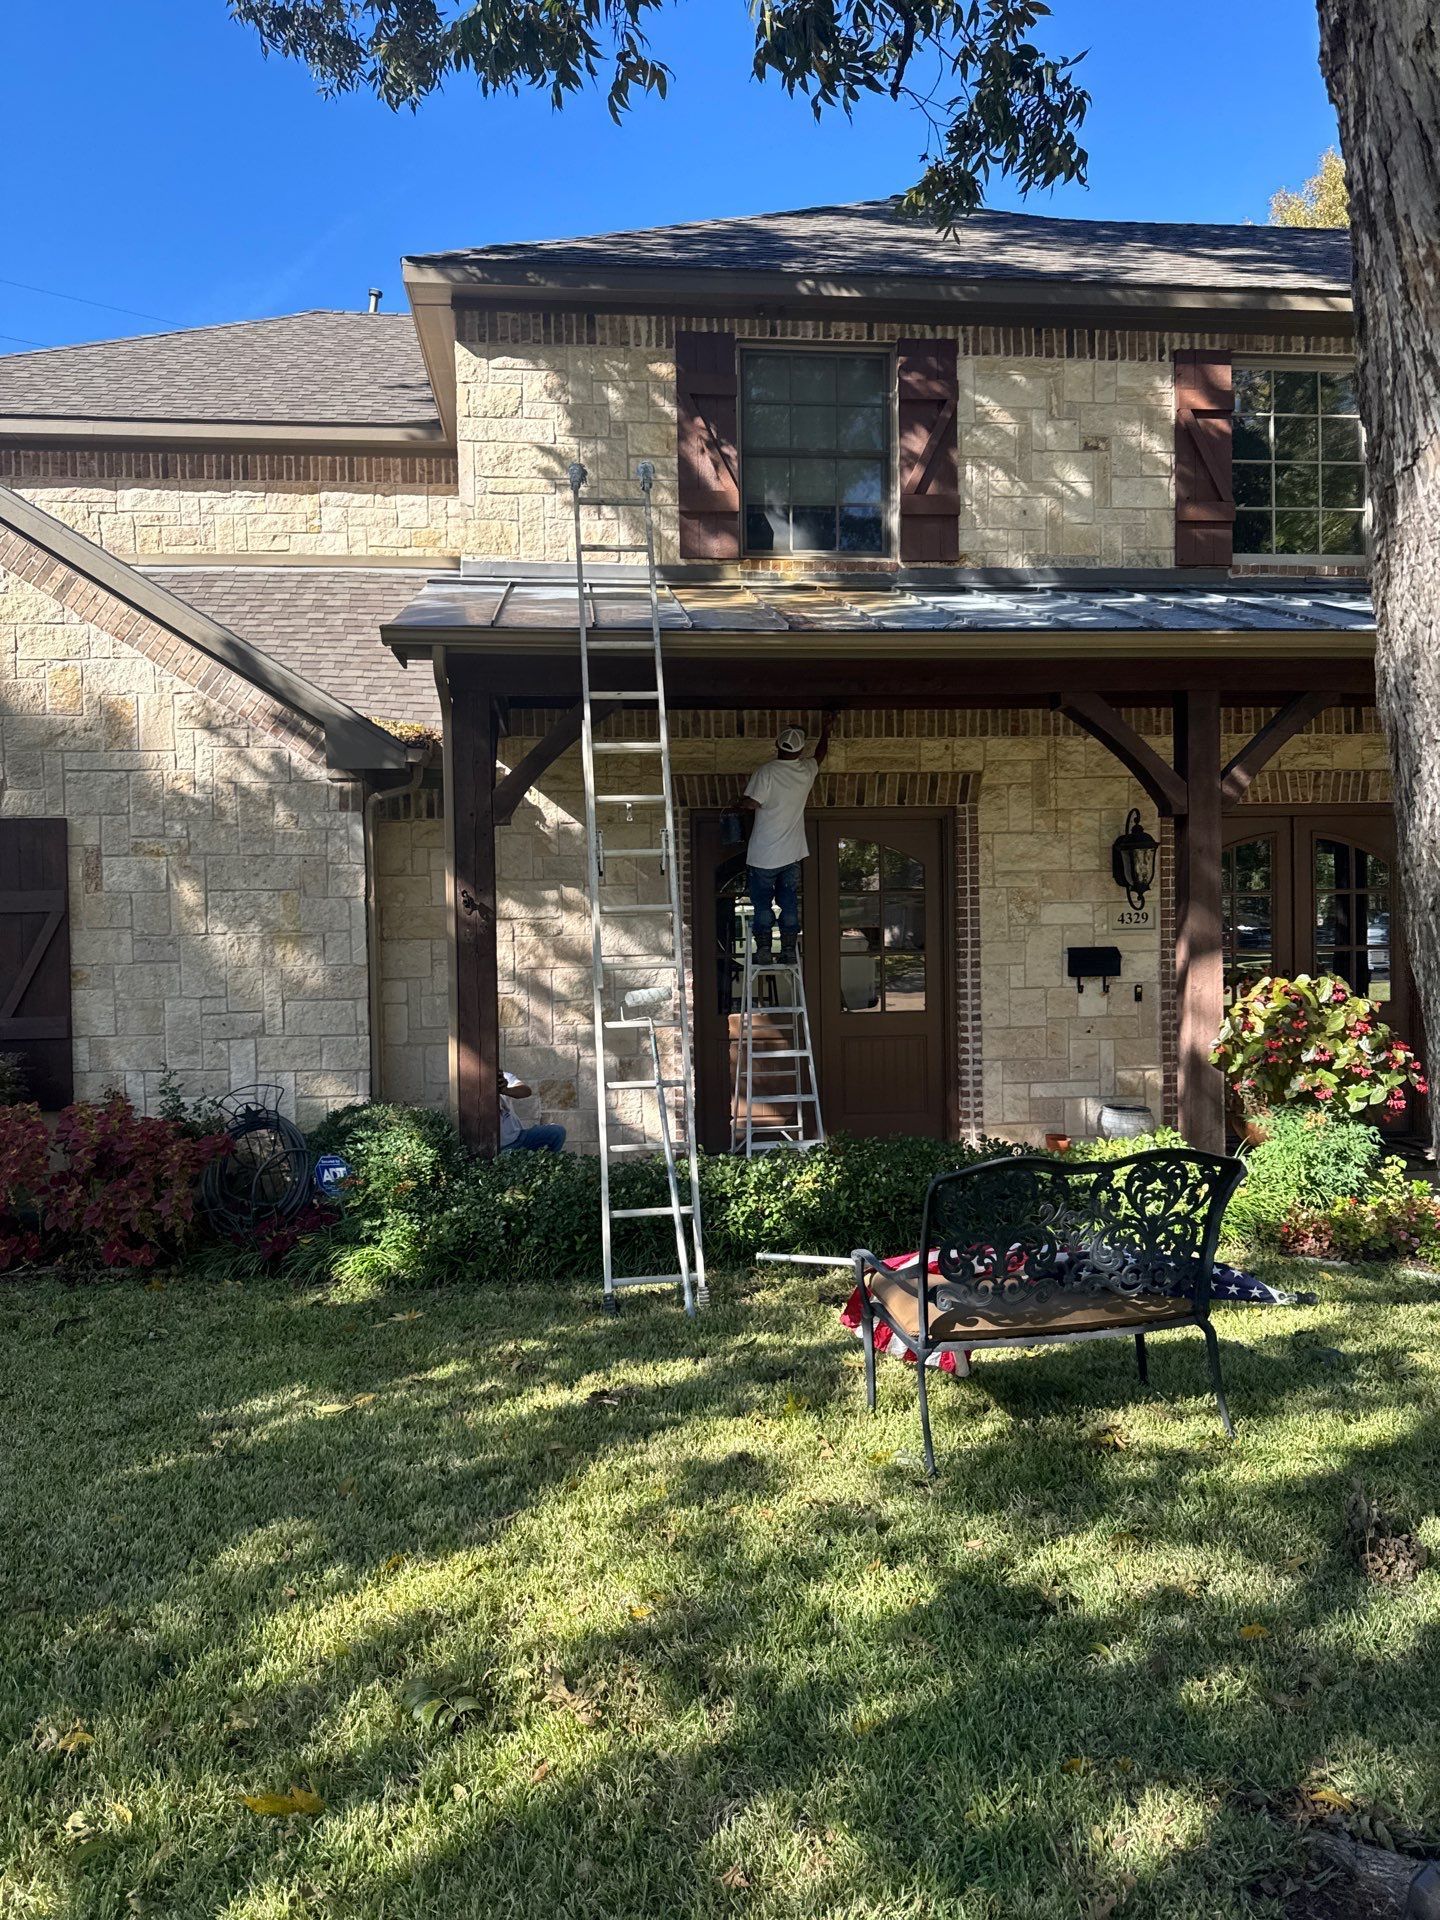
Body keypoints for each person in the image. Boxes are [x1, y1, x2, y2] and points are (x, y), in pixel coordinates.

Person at [734, 713, 836, 964]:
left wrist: (739, 802)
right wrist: (826, 729)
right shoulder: (806, 771)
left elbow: (752, 803)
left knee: (762, 905)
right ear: (800, 750)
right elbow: (821, 754)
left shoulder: (766, 772)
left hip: (763, 856)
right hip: (791, 854)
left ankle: (765, 950)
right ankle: (789, 949)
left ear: (777, 744)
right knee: (788, 902)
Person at [499, 1071, 566, 1152]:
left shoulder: (502, 1076)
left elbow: (526, 1091)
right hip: (501, 1149)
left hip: (520, 1137)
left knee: (557, 1132)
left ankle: (546, 1163)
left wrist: (505, 1090)